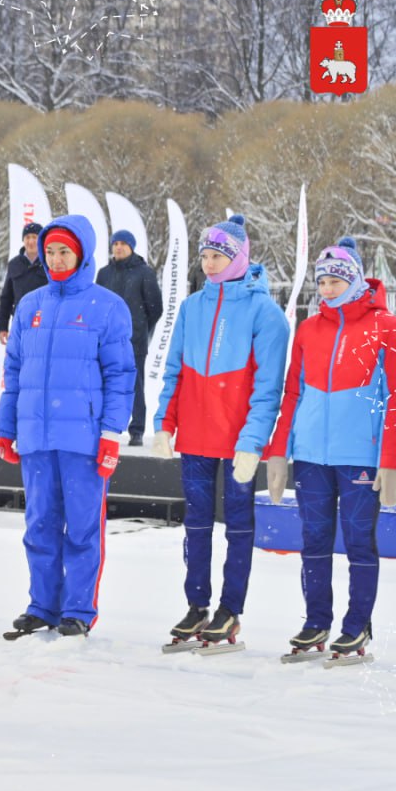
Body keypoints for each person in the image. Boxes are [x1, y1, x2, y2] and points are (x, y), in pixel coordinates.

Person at [264, 237, 396, 657]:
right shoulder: (310, 329)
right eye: (322, 282)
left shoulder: (389, 328)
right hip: (312, 456)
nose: (326, 289)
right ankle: (316, 622)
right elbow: (292, 394)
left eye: (334, 280)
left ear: (352, 282)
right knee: (313, 540)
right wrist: (279, 452)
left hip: (360, 458)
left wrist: (391, 461)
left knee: (358, 542)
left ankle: (357, 625)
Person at [0, 216, 135, 637]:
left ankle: (78, 608)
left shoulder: (107, 307)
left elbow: (121, 376)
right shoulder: (31, 305)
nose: (55, 259)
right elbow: (14, 370)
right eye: (50, 251)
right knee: (39, 525)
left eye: (64, 252)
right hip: (37, 437)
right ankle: (42, 605)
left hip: (85, 440)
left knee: (82, 527)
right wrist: (6, 426)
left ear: (82, 255)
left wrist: (111, 433)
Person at [153, 215, 289, 646]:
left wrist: (252, 443)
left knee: (237, 525)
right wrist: (164, 423)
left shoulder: (265, 313)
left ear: (238, 257)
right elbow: (173, 370)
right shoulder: (192, 307)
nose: (209, 264)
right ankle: (197, 606)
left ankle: (230, 609)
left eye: (217, 256)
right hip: (194, 437)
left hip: (237, 443)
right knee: (195, 525)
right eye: (205, 256)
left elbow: (269, 388)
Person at [96, 230, 163, 446]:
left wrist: (142, 327)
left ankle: (137, 430)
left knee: (135, 384)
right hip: (106, 340)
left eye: (124, 243)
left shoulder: (144, 272)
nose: (118, 247)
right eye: (115, 243)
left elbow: (155, 307)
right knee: (104, 384)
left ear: (132, 247)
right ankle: (105, 427)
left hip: (134, 341)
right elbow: (97, 304)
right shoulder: (104, 273)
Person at [0, 221, 46, 344]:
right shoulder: (14, 264)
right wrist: (2, 326)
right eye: (27, 237)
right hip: (20, 323)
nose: (31, 241)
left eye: (35, 237)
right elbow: (6, 298)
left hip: (45, 323)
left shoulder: (49, 264)